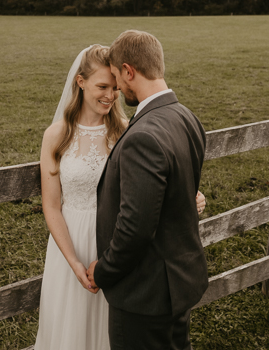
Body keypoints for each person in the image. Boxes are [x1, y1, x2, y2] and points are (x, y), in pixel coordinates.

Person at [34, 44, 206, 350]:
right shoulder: (55, 135)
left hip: (114, 248)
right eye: (102, 87)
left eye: (115, 87)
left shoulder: (129, 132)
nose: (110, 96)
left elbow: (149, 194)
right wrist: (73, 262)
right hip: (70, 244)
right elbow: (51, 206)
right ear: (81, 82)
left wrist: (188, 199)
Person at [87, 30, 208, 350]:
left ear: (129, 71)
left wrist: (104, 270)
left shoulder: (144, 136)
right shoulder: (187, 118)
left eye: (116, 77)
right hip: (178, 284)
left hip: (146, 295)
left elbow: (136, 227)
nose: (116, 87)